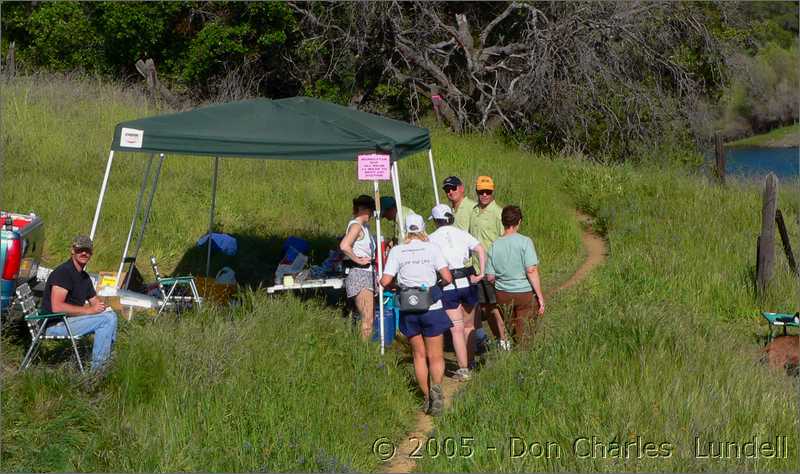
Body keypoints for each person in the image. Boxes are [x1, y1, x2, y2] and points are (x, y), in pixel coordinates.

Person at [380, 214, 453, 416]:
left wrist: (399, 287)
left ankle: (427, 397)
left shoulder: (397, 251)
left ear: (406, 230)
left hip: (408, 308)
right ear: (422, 229)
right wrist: (436, 286)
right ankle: (437, 389)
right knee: (436, 356)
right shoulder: (432, 249)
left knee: (418, 355)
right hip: (432, 306)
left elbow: (384, 281)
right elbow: (447, 277)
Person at [41, 235, 118, 371]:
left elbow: (95, 302)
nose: (84, 253)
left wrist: (106, 305)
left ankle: (105, 361)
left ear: (91, 254)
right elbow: (56, 307)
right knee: (106, 320)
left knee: (111, 315)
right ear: (73, 250)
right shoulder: (63, 273)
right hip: (55, 323)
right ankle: (98, 372)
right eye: (80, 250)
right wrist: (89, 310)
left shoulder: (84, 277)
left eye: (87, 250)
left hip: (69, 320)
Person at [428, 204, 486, 380]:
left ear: (437, 221)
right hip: (467, 282)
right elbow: (480, 249)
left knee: (457, 329)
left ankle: (464, 368)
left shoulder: (431, 239)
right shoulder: (461, 233)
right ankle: (471, 361)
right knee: (469, 326)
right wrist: (481, 273)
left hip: (448, 285)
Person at [486, 205, 545, 347]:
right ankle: (523, 360)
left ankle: (515, 355)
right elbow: (531, 270)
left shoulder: (495, 245)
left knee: (513, 329)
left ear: (502, 222)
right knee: (525, 333)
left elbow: (490, 277)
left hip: (503, 294)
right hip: (524, 293)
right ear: (519, 221)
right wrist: (540, 297)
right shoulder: (525, 242)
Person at [468, 175, 508, 349]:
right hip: (476, 268)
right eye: (481, 191)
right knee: (483, 307)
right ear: (476, 191)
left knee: (494, 307)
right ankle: (496, 339)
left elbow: (504, 241)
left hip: (492, 269)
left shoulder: (498, 213)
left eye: (488, 191)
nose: (484, 194)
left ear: (492, 192)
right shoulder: (474, 211)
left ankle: (504, 340)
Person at [340, 195, 377, 341]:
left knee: (368, 317)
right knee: (368, 318)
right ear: (364, 209)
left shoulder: (364, 227)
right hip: (360, 274)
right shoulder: (356, 225)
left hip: (367, 273)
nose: (373, 214)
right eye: (371, 210)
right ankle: (364, 352)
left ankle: (362, 347)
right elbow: (344, 245)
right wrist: (358, 260)